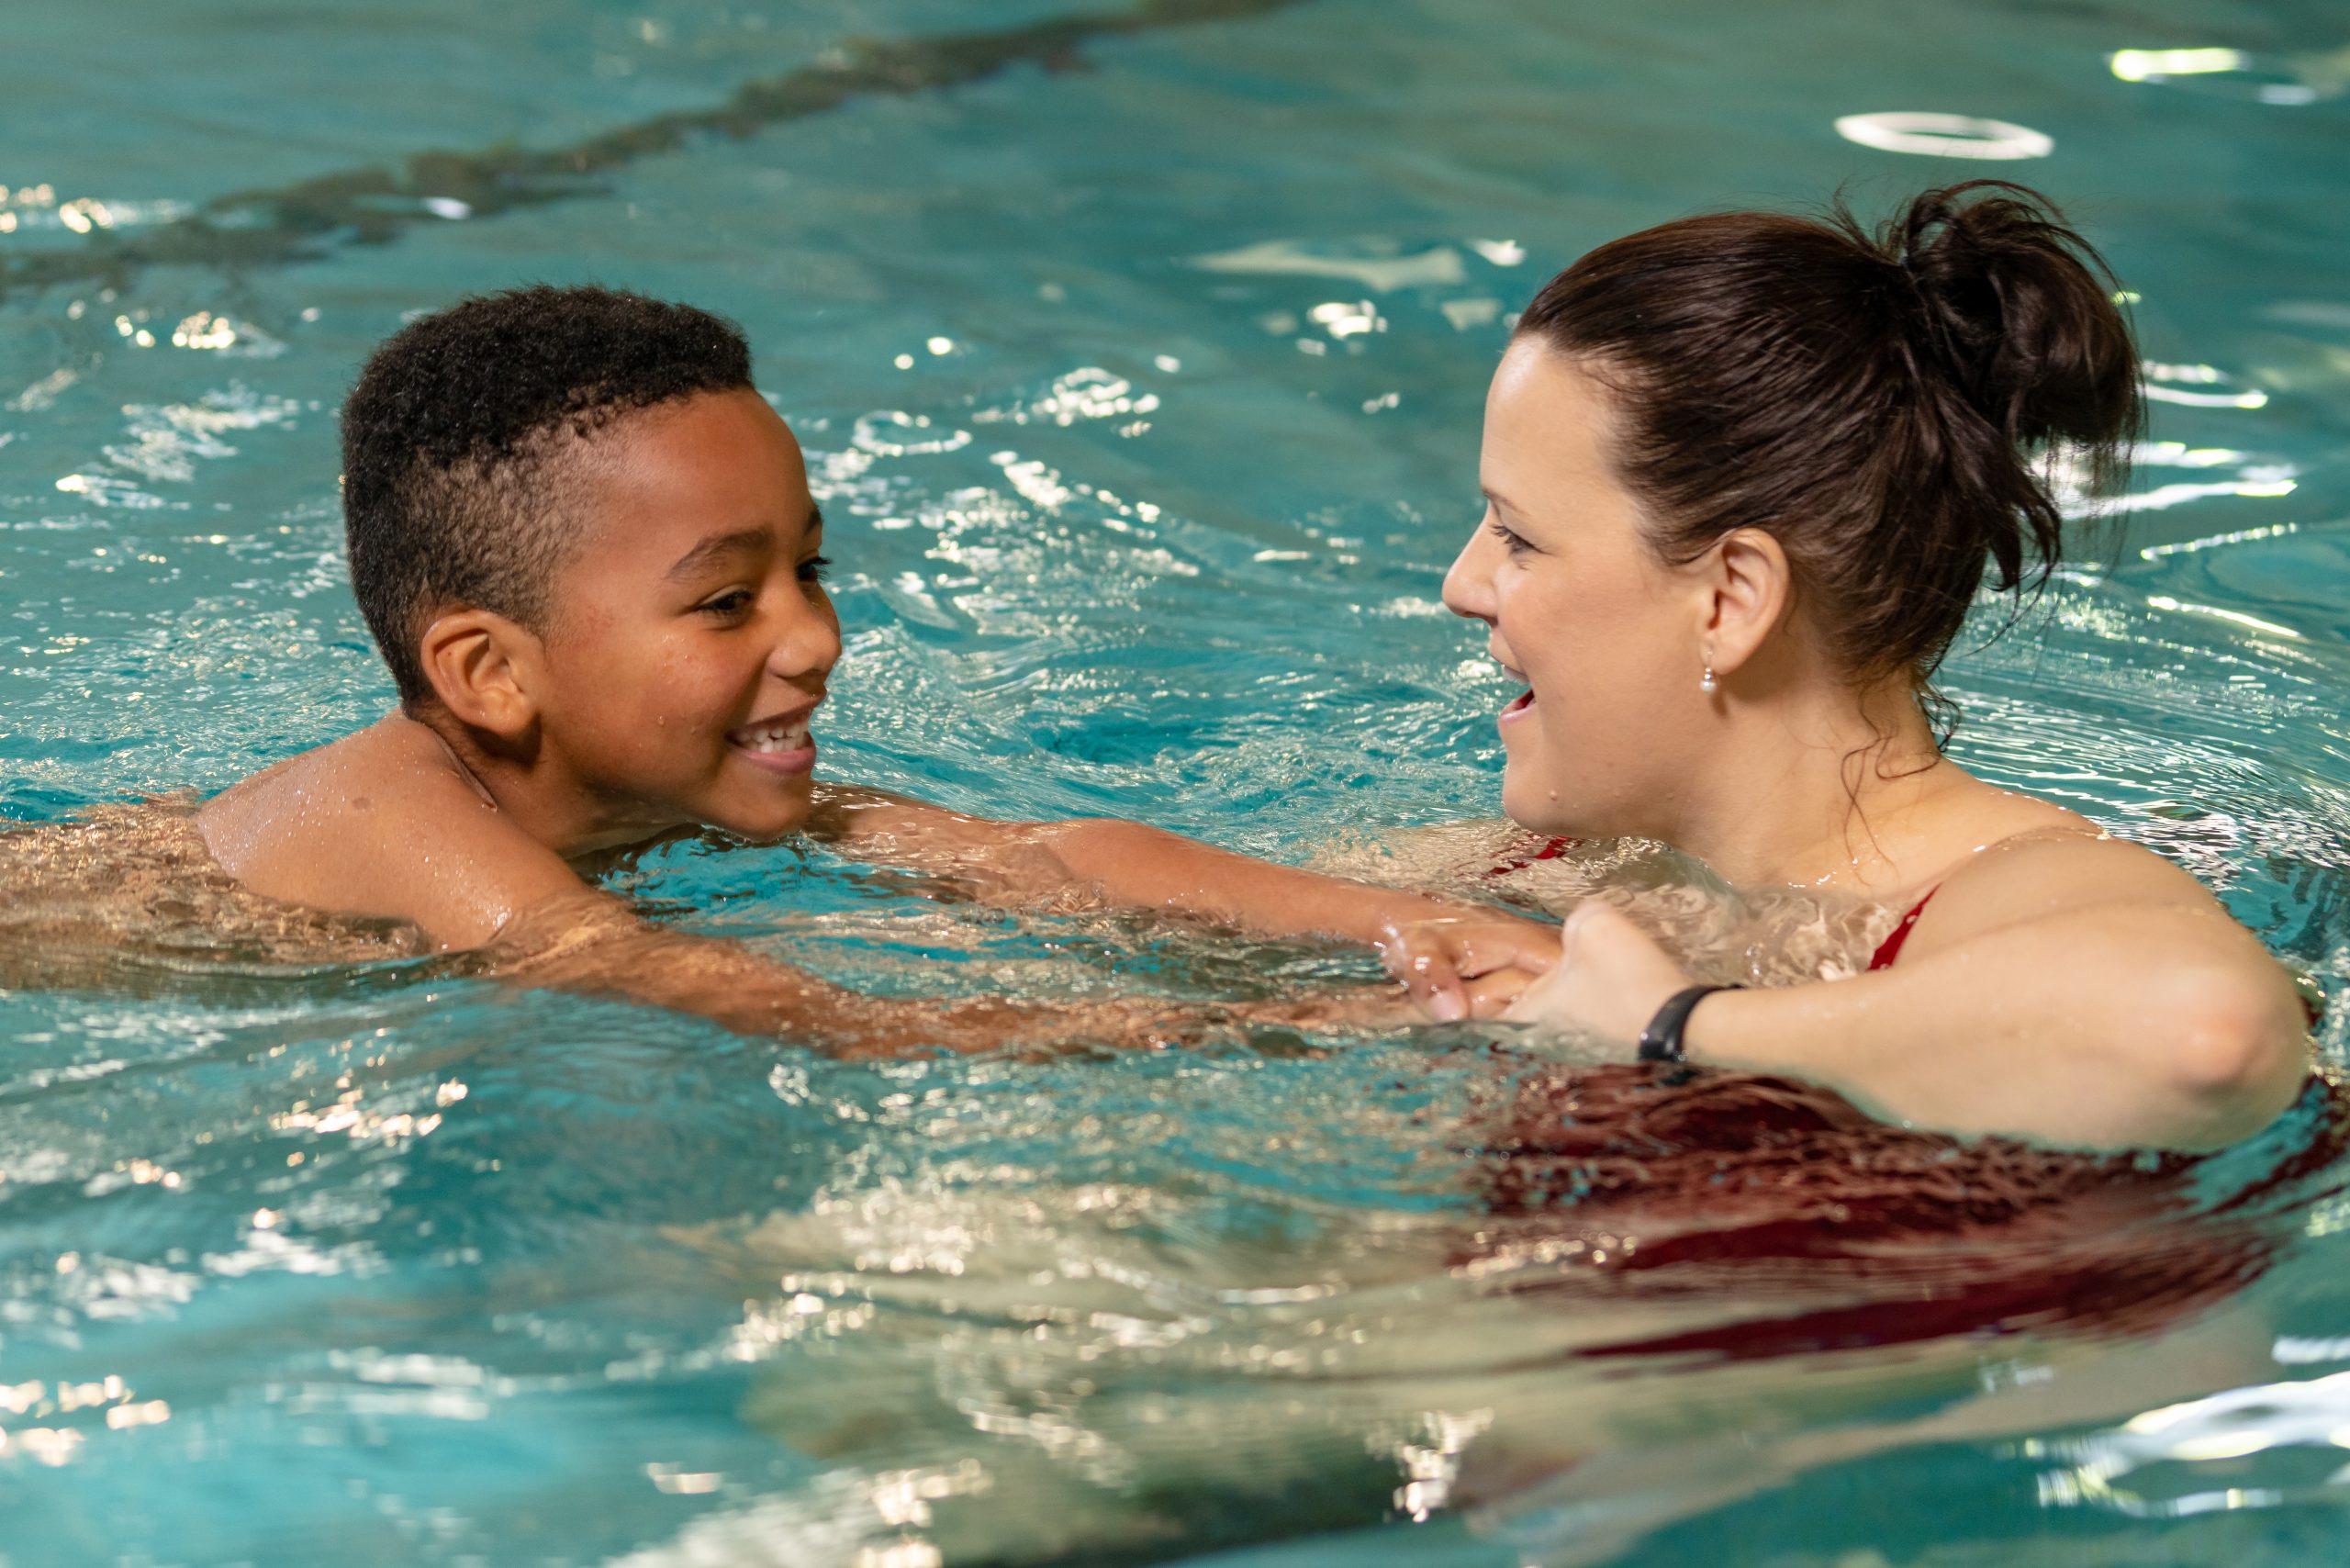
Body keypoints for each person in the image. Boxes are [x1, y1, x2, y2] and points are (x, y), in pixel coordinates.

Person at [194, 286, 1551, 1053]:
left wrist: (1401, 925)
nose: (816, 640)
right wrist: (1328, 1024)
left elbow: (1043, 862)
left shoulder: (646, 784)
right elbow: (779, 1010)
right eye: (728, 600)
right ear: (490, 675)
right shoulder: (392, 817)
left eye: (812, 573)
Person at [1443, 181, 2312, 1151]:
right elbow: (1253, 914)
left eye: (1517, 535)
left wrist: (1674, 1027)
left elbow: (2204, 1037)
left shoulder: (2004, 894)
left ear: (1729, 601)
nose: (1461, 582)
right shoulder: (1595, 872)